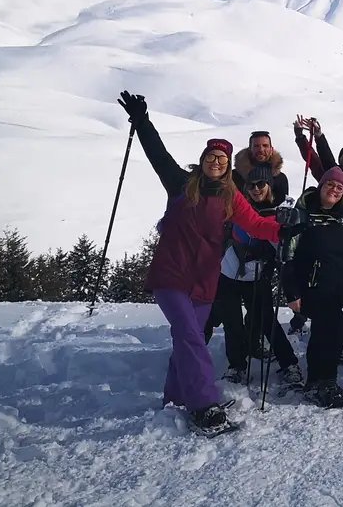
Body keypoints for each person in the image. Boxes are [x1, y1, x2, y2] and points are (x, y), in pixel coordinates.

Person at [116, 91, 280, 434]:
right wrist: (142, 121)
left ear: (228, 165)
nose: (216, 161)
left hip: (205, 281)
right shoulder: (181, 184)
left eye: (222, 158)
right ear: (203, 159)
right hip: (171, 275)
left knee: (186, 340)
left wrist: (287, 229)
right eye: (211, 156)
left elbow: (258, 225)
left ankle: (175, 398)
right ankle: (204, 404)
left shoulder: (231, 197)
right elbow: (157, 153)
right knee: (191, 336)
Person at [208, 164, 302, 392]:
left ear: (270, 184)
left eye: (261, 184)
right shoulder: (239, 205)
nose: (256, 189)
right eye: (252, 185)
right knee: (232, 323)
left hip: (257, 276)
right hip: (228, 272)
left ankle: (289, 364)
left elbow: (286, 255)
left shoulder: (281, 212)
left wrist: (291, 291)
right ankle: (236, 366)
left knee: (266, 321)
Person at [282, 166, 343, 408]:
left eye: (340, 187)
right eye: (331, 184)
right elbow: (288, 256)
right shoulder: (302, 215)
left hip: (335, 287)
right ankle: (324, 381)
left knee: (324, 332)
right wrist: (292, 291)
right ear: (321, 186)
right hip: (311, 285)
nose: (335, 190)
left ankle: (318, 382)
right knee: (334, 327)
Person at [232, 130, 290, 203]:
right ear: (250, 149)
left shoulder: (280, 179)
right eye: (256, 146)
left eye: (265, 146)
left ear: (271, 149)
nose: (261, 149)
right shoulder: (235, 177)